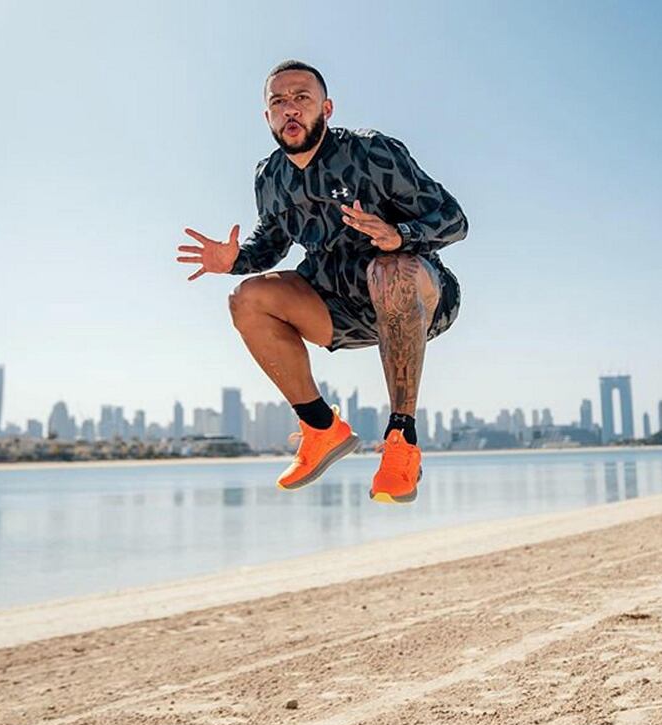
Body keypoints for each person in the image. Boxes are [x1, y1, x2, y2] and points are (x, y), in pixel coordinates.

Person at [177, 60, 468, 503]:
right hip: (337, 302)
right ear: (267, 116)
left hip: (416, 291)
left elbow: (454, 219)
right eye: (279, 102)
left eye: (301, 99)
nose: (290, 110)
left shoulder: (372, 154)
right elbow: (270, 246)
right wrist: (234, 260)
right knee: (248, 299)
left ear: (326, 109)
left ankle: (401, 442)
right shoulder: (269, 177)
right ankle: (320, 428)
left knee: (387, 269)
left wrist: (400, 236)